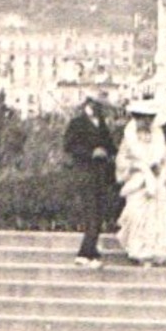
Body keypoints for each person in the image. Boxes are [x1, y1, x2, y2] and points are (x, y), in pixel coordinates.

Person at [115, 99, 166, 267]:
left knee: (157, 216)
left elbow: (165, 159)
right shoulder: (129, 138)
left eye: (149, 118)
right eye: (142, 118)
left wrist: (160, 169)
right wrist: (138, 167)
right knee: (137, 214)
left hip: (156, 181)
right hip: (137, 181)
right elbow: (122, 161)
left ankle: (156, 252)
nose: (146, 122)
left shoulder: (157, 136)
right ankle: (139, 251)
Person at [63, 97, 117, 268]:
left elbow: (110, 145)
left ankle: (91, 252)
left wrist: (109, 152)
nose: (98, 108)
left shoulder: (101, 123)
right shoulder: (77, 123)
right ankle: (84, 252)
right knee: (92, 213)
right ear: (87, 105)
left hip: (100, 175)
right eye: (95, 104)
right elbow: (69, 146)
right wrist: (91, 153)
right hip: (85, 173)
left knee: (98, 214)